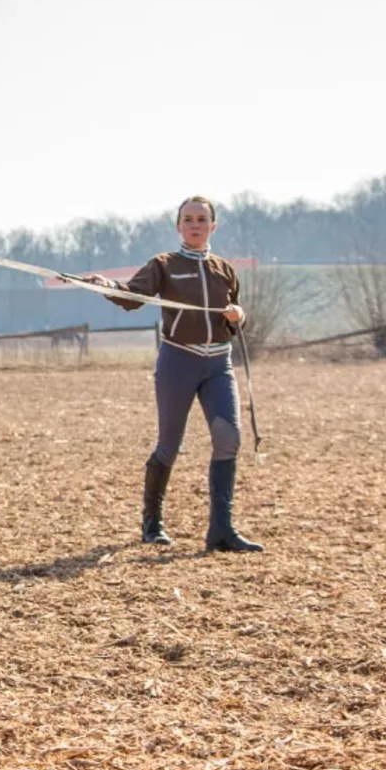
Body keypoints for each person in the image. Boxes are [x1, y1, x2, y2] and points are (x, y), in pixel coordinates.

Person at [82, 196, 263, 553]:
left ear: (213, 226)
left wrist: (239, 316)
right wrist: (108, 287)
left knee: (229, 439)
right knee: (170, 445)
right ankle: (152, 523)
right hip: (178, 362)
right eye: (188, 219)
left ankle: (222, 532)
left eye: (202, 219)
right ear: (178, 226)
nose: (195, 225)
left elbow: (235, 319)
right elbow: (134, 298)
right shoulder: (164, 264)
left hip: (219, 365)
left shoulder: (224, 269)